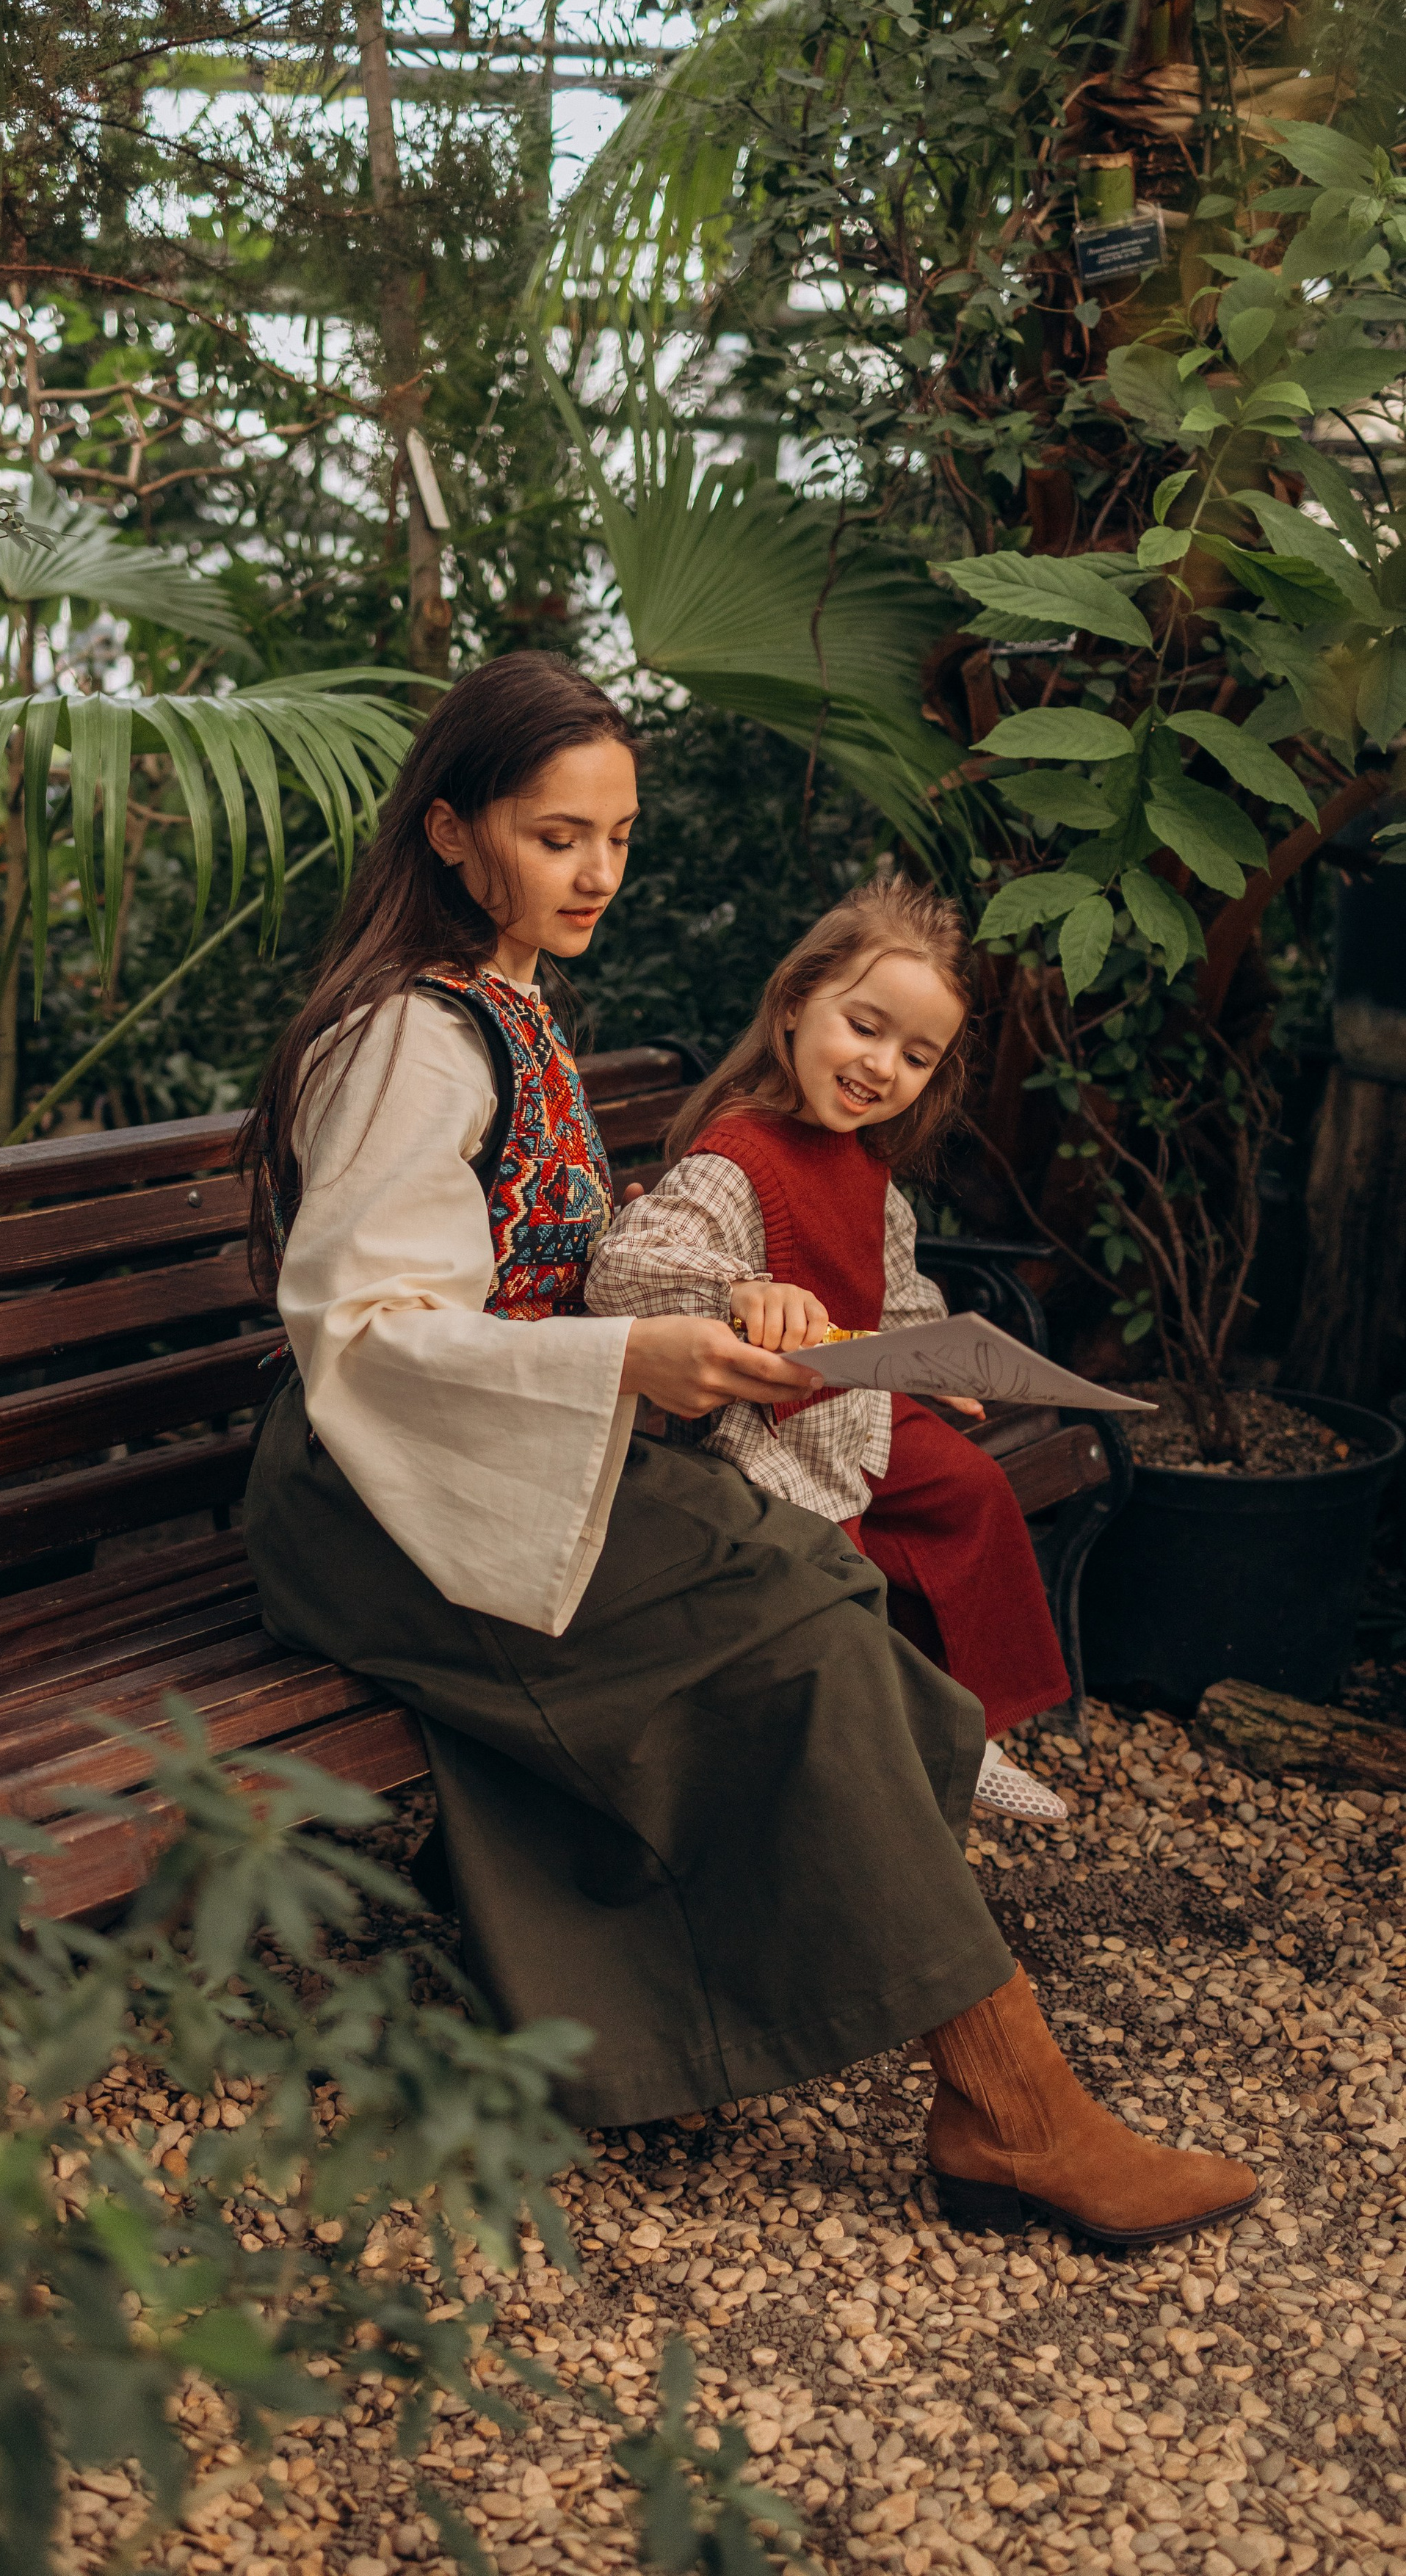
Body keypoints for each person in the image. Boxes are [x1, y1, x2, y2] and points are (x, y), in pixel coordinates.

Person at [236, 652, 1254, 2246]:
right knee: (799, 1637)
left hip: (515, 1435)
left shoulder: (509, 1007)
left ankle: (692, 2035)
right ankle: (1010, 2108)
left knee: (822, 1605)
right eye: (556, 834)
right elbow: (361, 1338)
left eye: (617, 836)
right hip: (383, 1490)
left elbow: (552, 1260)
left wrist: (714, 1330)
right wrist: (634, 1351)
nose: (596, 872)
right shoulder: (405, 1041)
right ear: (449, 832)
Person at [584, 877, 1073, 1824]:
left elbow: (896, 1290)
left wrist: (934, 1356)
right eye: (864, 1026)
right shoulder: (737, 1158)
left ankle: (980, 1721)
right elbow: (628, 1263)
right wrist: (736, 1289)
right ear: (798, 1002)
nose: (881, 1065)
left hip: (860, 1404)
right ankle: (904, 1751)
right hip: (765, 1430)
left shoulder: (868, 1169)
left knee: (971, 1491)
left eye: (916, 1055)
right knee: (837, 1568)